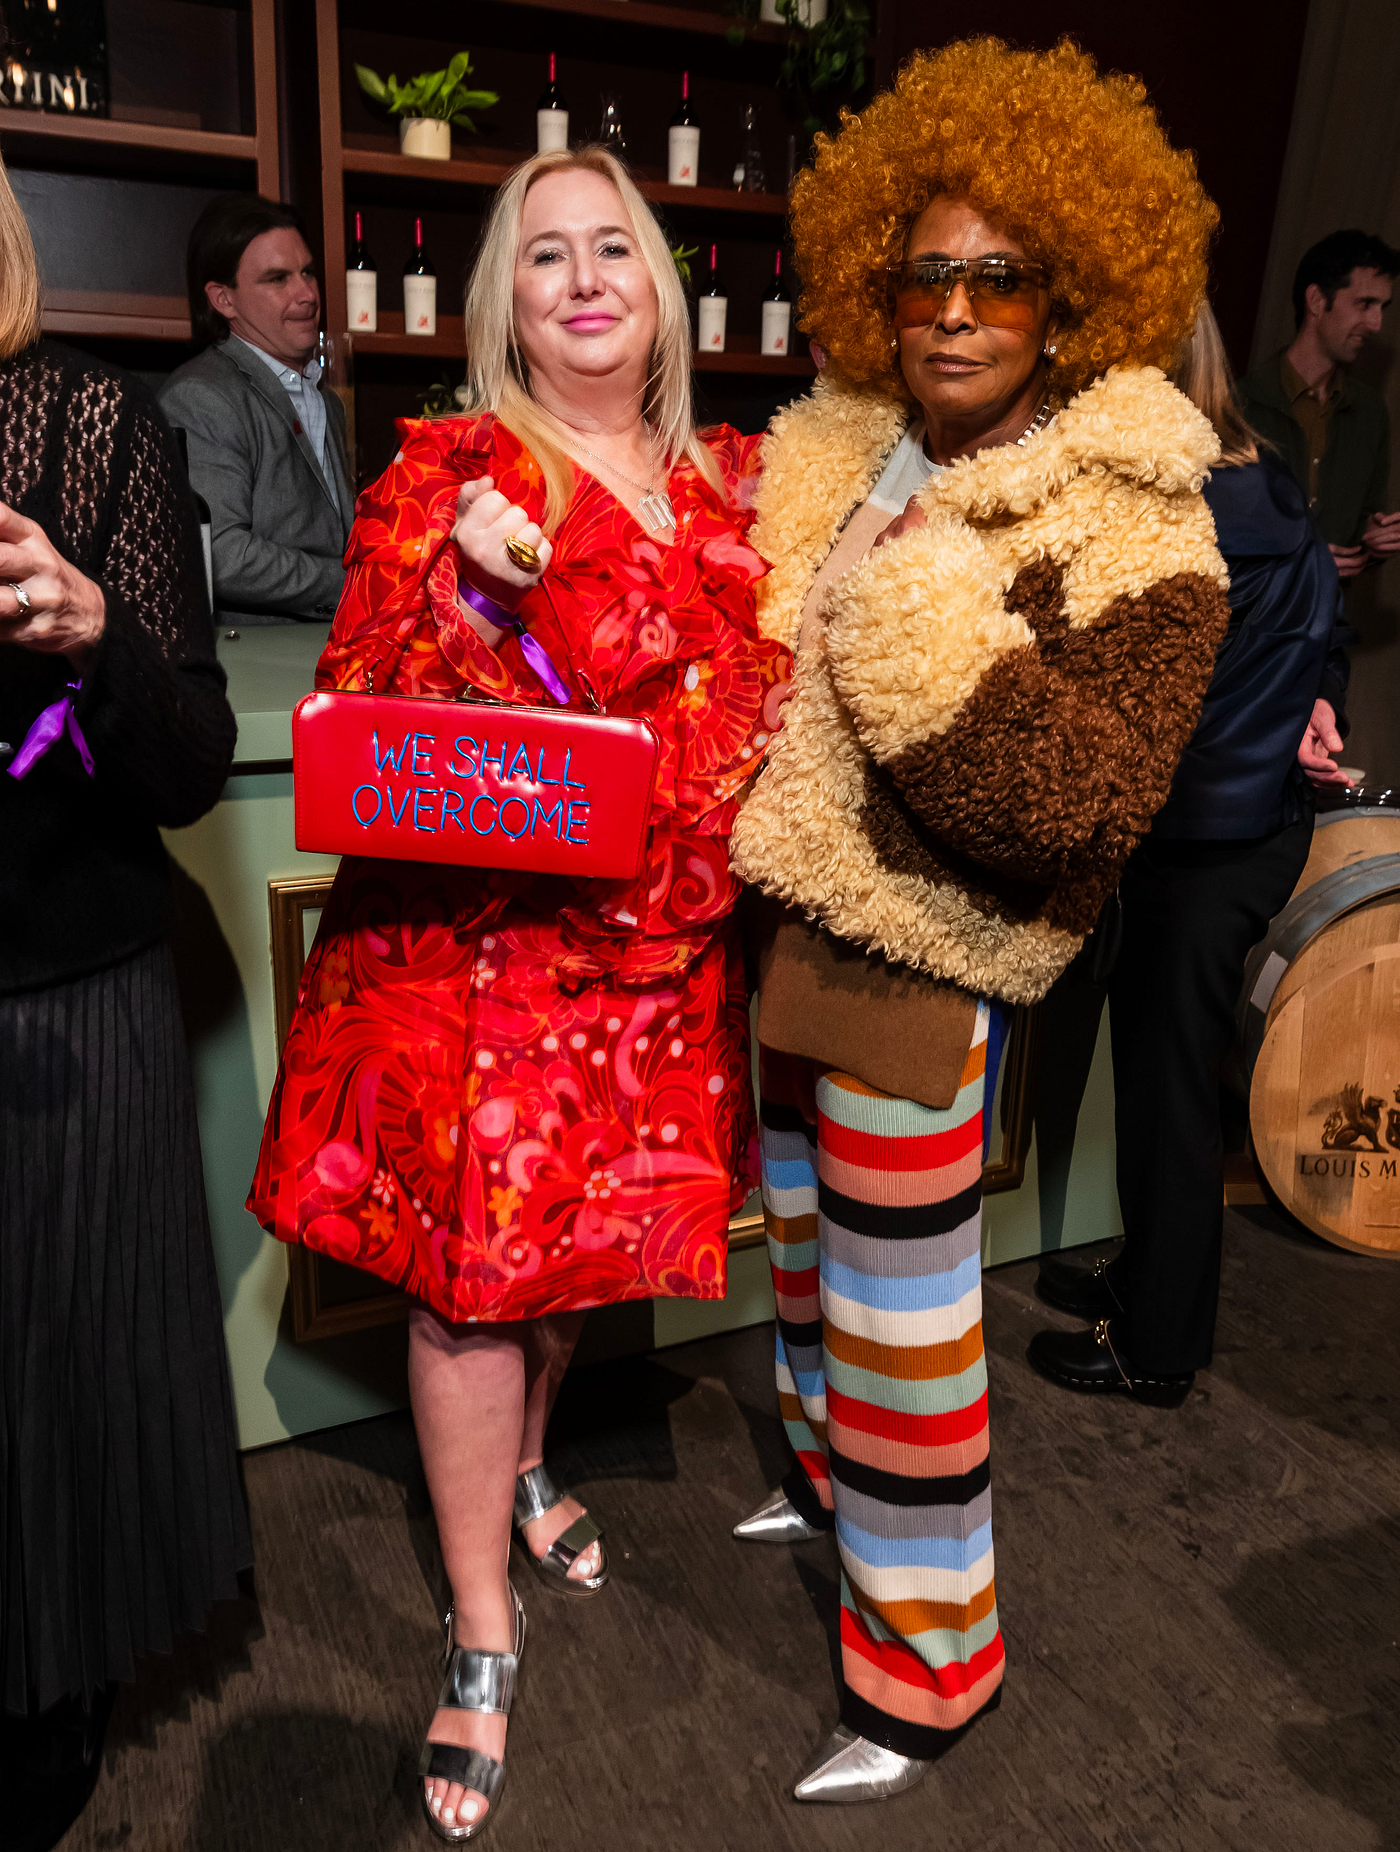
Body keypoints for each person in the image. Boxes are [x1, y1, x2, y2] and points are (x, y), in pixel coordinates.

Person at [247, 146, 790, 1843]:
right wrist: (474, 589)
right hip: (489, 973)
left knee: (573, 1266)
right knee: (474, 1297)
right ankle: (480, 1623)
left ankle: (534, 1462)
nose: (583, 277)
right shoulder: (451, 467)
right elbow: (359, 704)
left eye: (611, 246)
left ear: (660, 288)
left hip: (660, 966)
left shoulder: (734, 484)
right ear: (505, 301)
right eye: (544, 254)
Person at [728, 37, 1227, 1805]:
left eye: (997, 277)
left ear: (1070, 294)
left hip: (925, 956)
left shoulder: (1137, 522)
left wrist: (914, 623)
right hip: (784, 933)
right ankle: (819, 1482)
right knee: (803, 1268)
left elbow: (1080, 802)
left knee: (903, 1332)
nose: (952, 313)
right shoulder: (846, 453)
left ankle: (930, 1670)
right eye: (922, 274)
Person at [0, 158, 249, 1850]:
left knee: (56, 1383)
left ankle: (51, 1681)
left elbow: (190, 762)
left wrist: (97, 636)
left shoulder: (97, 425)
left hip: (59, 993)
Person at [1030, 300, 1351, 1400]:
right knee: (1158, 1082)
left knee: (1169, 1097)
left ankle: (1157, 1352)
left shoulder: (1179, 511)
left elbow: (1156, 696)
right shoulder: (1263, 478)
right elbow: (1328, 627)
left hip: (1207, 838)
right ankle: (1144, 1281)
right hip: (1237, 824)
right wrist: (1316, 697)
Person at [160, 194, 354, 627]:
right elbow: (220, 553)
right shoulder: (200, 396)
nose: (307, 294)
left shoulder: (325, 399)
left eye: (307, 272)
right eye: (277, 278)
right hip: (253, 659)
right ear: (223, 300)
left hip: (333, 651)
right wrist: (351, 586)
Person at [1241, 229, 1400, 582]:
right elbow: (1207, 534)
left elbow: (1358, 525)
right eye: (1365, 304)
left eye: (1382, 308)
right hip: (1244, 615)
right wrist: (1297, 564)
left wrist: (1371, 539)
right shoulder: (1236, 406)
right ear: (1316, 300)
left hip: (1326, 615)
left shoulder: (1371, 413)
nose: (1377, 324)